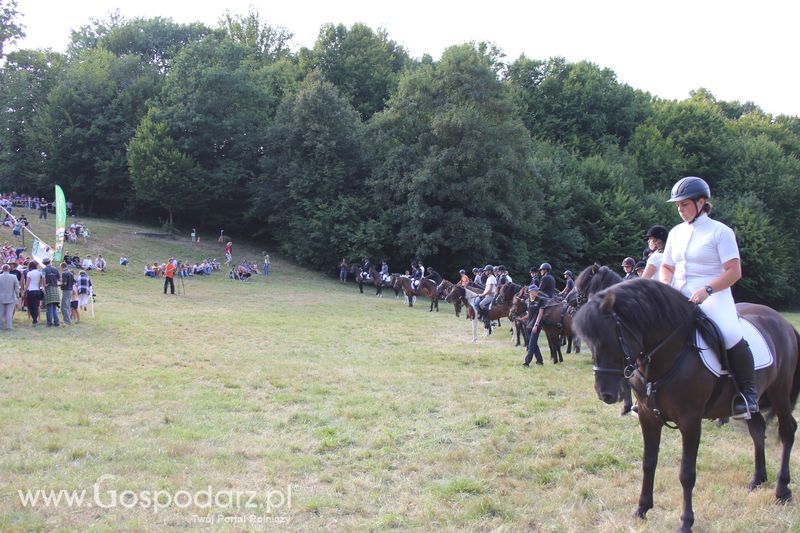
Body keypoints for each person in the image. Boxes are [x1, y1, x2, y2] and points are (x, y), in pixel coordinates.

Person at [660, 176, 757, 419]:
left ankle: (748, 394)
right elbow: (667, 267)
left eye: (684, 204)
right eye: (678, 205)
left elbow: (734, 271)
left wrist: (707, 290)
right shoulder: (676, 233)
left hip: (714, 294)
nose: (680, 210)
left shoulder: (720, 232)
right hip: (679, 294)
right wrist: (664, 286)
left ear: (701, 202)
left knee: (729, 333)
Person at [521, 283, 547, 366]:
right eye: (535, 291)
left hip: (536, 326)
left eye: (537, 291)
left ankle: (527, 362)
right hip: (528, 325)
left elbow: (540, 313)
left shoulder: (540, 300)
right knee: (533, 344)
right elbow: (529, 314)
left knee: (531, 345)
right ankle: (540, 361)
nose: (537, 292)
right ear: (530, 292)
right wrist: (520, 318)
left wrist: (536, 325)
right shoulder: (527, 301)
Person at [0, 264, 20, 330]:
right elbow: (17, 288)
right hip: (11, 297)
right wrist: (17, 295)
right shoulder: (13, 277)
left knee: (0, 312)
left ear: (2, 269)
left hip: (1, 297)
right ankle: (8, 327)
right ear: (9, 269)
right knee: (9, 313)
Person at [42, 257, 61, 327]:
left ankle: (49, 323)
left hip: (48, 288)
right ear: (50, 262)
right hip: (55, 288)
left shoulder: (44, 269)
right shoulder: (55, 269)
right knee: (53, 307)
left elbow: (43, 277)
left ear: (44, 263)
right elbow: (59, 279)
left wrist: (44, 285)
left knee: (49, 307)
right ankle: (56, 322)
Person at [25, 260, 44, 326]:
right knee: (36, 305)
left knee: (30, 306)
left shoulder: (29, 273)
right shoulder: (39, 272)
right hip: (37, 290)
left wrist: (25, 290)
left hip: (31, 290)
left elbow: (27, 283)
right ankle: (35, 319)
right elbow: (41, 282)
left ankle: (34, 319)